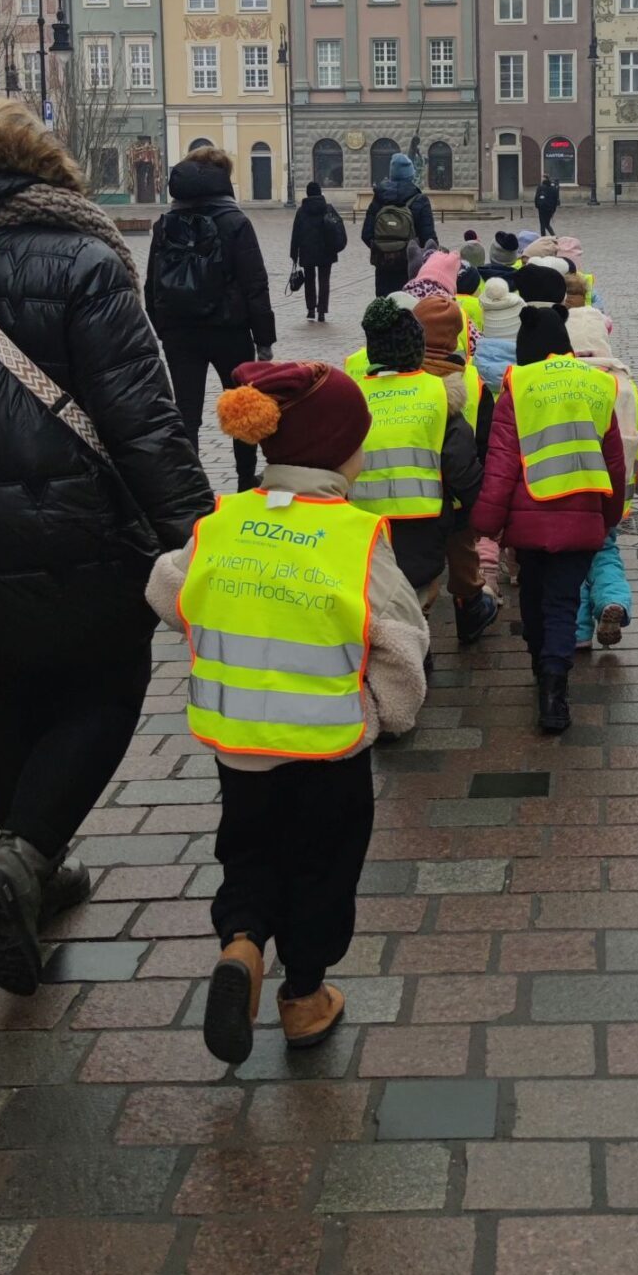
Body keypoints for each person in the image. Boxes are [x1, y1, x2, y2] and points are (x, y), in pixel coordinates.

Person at [0, 93, 212, 995]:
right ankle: (25, 856)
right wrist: (204, 537)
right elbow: (143, 423)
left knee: (14, 682)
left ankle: (33, 874)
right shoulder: (82, 259)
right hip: (69, 530)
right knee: (108, 683)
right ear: (40, 166)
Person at [149, 360, 428, 1063]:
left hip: (238, 740)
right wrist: (387, 714)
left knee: (248, 850)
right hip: (328, 746)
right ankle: (303, 997)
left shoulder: (225, 520)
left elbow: (166, 590)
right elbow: (399, 645)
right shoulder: (355, 537)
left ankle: (242, 943)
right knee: (323, 867)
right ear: (340, 451)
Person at [472, 304, 625, 734]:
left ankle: (541, 666)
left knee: (534, 598)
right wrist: (609, 514)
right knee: (563, 602)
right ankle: (555, 692)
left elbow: (501, 466)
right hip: (582, 519)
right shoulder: (599, 385)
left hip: (529, 521)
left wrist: (486, 523)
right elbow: (614, 462)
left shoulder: (517, 388)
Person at [146, 147, 276, 489]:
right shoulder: (234, 221)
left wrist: (163, 328)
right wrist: (264, 340)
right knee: (241, 406)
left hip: (179, 332)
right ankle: (245, 479)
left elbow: (151, 284)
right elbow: (255, 284)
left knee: (186, 411)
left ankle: (189, 486)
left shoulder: (165, 223)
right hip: (229, 331)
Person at [352, 297, 485, 624]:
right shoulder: (438, 393)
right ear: (417, 349)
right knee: (415, 599)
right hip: (422, 522)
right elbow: (459, 464)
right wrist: (480, 510)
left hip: (363, 524)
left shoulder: (353, 396)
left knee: (375, 598)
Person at [413, 293, 498, 645]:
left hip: (413, 495)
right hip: (461, 494)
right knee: (463, 556)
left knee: (418, 564)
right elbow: (486, 444)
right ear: (456, 337)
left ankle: (419, 624)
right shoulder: (473, 381)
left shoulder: (404, 379)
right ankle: (469, 609)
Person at [567, 305, 638, 651]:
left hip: (570, 490)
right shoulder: (625, 386)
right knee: (604, 551)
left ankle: (578, 632)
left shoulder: (562, 383)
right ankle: (613, 599)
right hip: (613, 497)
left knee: (571, 560)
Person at [361, 154, 436, 296]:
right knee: (408, 305)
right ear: (411, 175)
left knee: (386, 305)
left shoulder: (379, 198)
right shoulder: (419, 199)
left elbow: (366, 234)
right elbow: (429, 239)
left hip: (383, 269)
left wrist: (385, 249)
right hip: (410, 269)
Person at [289, 180, 346, 324]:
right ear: (320, 192)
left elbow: (295, 234)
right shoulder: (328, 208)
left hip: (307, 250)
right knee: (324, 280)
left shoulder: (302, 211)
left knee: (309, 280)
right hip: (326, 250)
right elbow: (338, 227)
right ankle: (321, 311)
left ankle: (310, 309)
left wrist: (294, 254)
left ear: (307, 193)